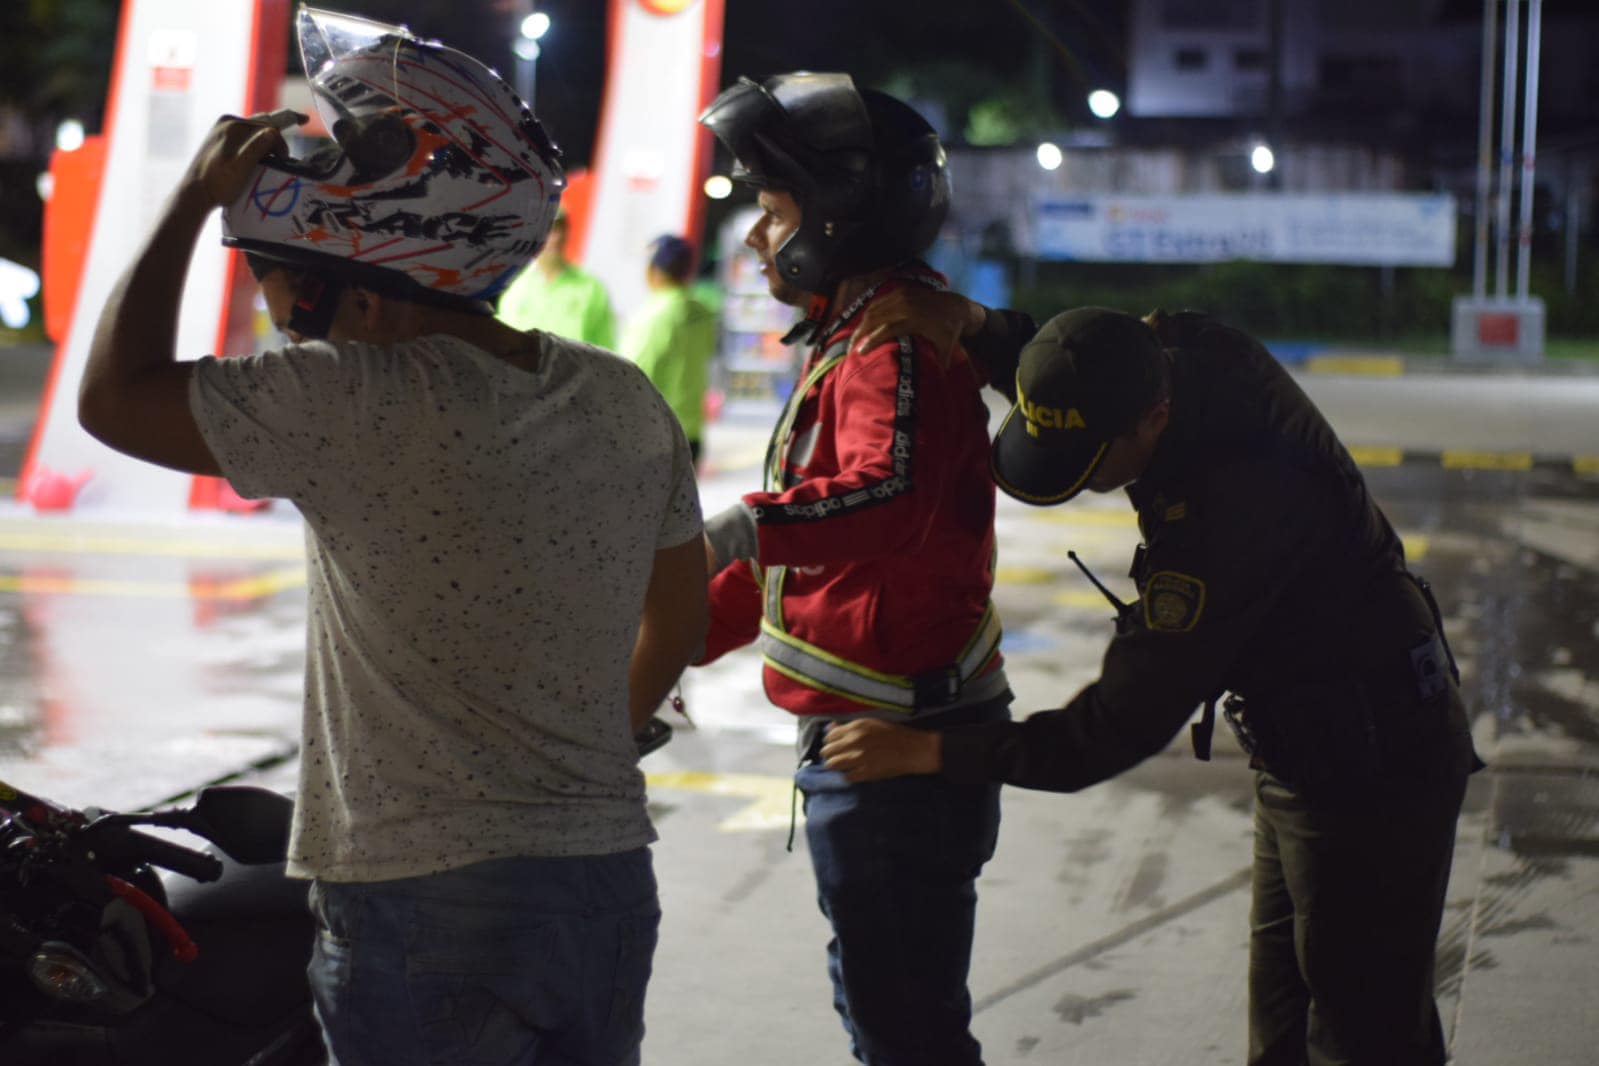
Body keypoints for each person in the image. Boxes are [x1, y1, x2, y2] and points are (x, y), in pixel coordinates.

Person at [75, 9, 706, 1065]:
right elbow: (678, 614)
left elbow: (112, 397)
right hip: (602, 880)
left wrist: (190, 201)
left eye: (272, 274)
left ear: (359, 265)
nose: (272, 308)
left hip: (421, 898)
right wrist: (591, 748)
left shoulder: (347, 401)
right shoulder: (622, 396)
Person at [822, 303, 1484, 1065]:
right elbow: (1083, 364)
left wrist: (928, 750)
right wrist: (978, 327)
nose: (1081, 478)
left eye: (1090, 461)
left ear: (1154, 421)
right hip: (1309, 743)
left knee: (1361, 1031)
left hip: (1373, 767)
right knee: (1282, 1024)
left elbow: (1108, 732)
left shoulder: (1223, 522)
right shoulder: (1177, 349)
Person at [693, 72, 1011, 1066]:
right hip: (867, 734)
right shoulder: (854, 331)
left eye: (773, 207)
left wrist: (737, 526)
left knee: (905, 1028)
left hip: (900, 750)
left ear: (838, 213)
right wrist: (666, 635)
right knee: (882, 1003)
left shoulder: (891, 343)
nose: (754, 235)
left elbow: (889, 502)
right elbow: (805, 569)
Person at [620, 234, 717, 464]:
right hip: (691, 433)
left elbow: (630, 377)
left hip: (654, 435)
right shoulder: (702, 312)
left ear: (654, 270)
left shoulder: (653, 317)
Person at [496, 206, 617, 348]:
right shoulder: (512, 283)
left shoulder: (591, 288)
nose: (556, 238)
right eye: (549, 230)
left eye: (560, 229)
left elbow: (605, 348)